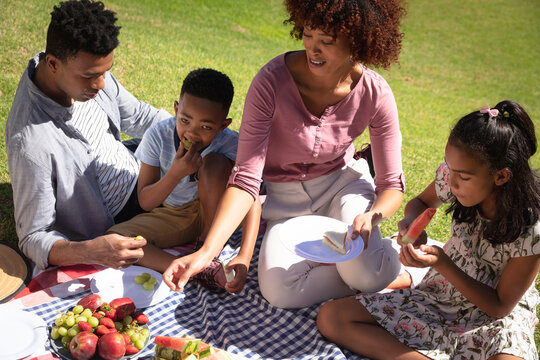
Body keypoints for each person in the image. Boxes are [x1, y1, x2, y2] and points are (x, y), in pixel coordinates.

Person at [162, 0, 408, 308]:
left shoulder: (376, 92)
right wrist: (206, 252)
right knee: (279, 291)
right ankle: (365, 271)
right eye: (308, 35)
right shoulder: (270, 82)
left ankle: (378, 269)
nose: (312, 49)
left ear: (356, 43)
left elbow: (391, 186)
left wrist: (372, 216)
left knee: (364, 272)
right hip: (284, 204)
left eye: (326, 42)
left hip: (343, 189)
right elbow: (246, 179)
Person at [317, 100, 540, 360]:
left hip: (492, 317)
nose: (451, 181)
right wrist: (412, 221)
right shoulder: (454, 177)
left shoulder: (531, 229)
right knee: (332, 318)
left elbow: (500, 306)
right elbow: (420, 202)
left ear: (501, 176)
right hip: (440, 297)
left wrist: (443, 263)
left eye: (463, 177)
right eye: (449, 168)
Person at [5, 0, 171, 272]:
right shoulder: (30, 142)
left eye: (106, 71)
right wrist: (91, 250)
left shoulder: (76, 65)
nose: (101, 84)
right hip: (118, 217)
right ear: (53, 64)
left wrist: (190, 132)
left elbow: (142, 116)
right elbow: (34, 236)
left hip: (138, 166)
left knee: (221, 161)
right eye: (90, 76)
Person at [108, 68, 262, 293]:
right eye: (185, 120)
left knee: (214, 165)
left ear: (223, 125)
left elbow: (251, 196)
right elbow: (145, 201)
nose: (192, 132)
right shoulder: (157, 136)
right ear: (176, 109)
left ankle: (208, 249)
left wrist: (244, 257)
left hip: (220, 215)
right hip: (177, 214)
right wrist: (175, 174)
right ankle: (194, 270)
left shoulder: (232, 144)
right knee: (115, 238)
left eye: (206, 127)